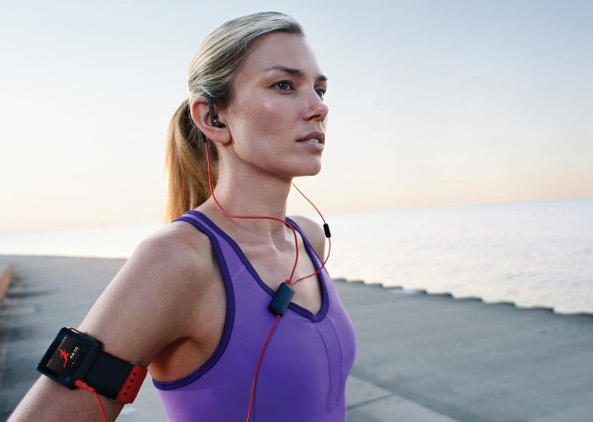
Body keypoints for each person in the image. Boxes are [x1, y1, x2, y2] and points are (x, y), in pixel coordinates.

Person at [10, 12, 356, 422]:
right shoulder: (176, 261)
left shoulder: (308, 238)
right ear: (212, 117)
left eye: (319, 89)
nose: (319, 108)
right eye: (284, 85)